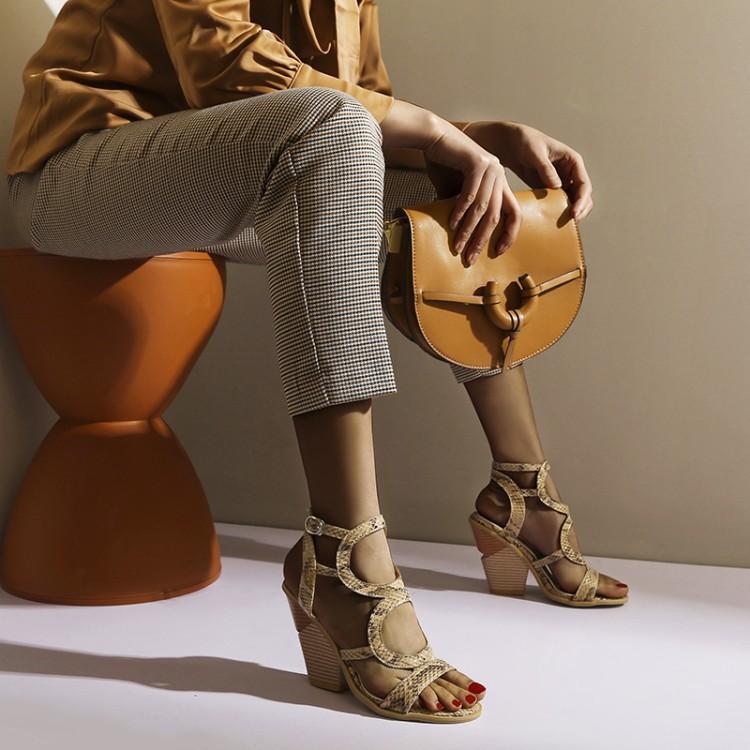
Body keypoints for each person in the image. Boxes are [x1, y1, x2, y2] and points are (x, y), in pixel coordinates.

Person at [4, 0, 627, 724]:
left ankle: (521, 495)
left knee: (452, 194)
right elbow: (227, 69)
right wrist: (437, 129)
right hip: (80, 170)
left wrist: (472, 141)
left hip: (226, 168)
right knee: (333, 130)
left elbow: (358, 109)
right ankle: (345, 558)